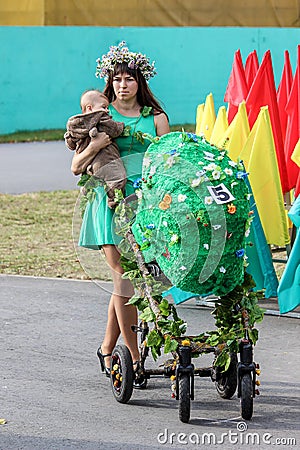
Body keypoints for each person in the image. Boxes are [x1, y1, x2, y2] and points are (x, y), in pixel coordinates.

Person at [71, 41, 170, 386]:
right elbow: (76, 164)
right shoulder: (98, 116)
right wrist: (96, 146)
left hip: (147, 206)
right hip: (110, 204)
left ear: (139, 82)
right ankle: (137, 359)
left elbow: (166, 161)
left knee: (132, 279)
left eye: (129, 79)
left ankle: (108, 347)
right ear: (109, 82)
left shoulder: (156, 118)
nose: (122, 85)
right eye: (117, 79)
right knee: (124, 277)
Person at [65, 89, 127, 208]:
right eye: (104, 107)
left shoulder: (77, 124)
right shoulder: (100, 118)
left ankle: (86, 190)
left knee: (91, 179)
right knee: (117, 179)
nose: (107, 111)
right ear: (90, 108)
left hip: (90, 166)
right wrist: (121, 127)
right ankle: (114, 201)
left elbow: (71, 142)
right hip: (104, 160)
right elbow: (114, 130)